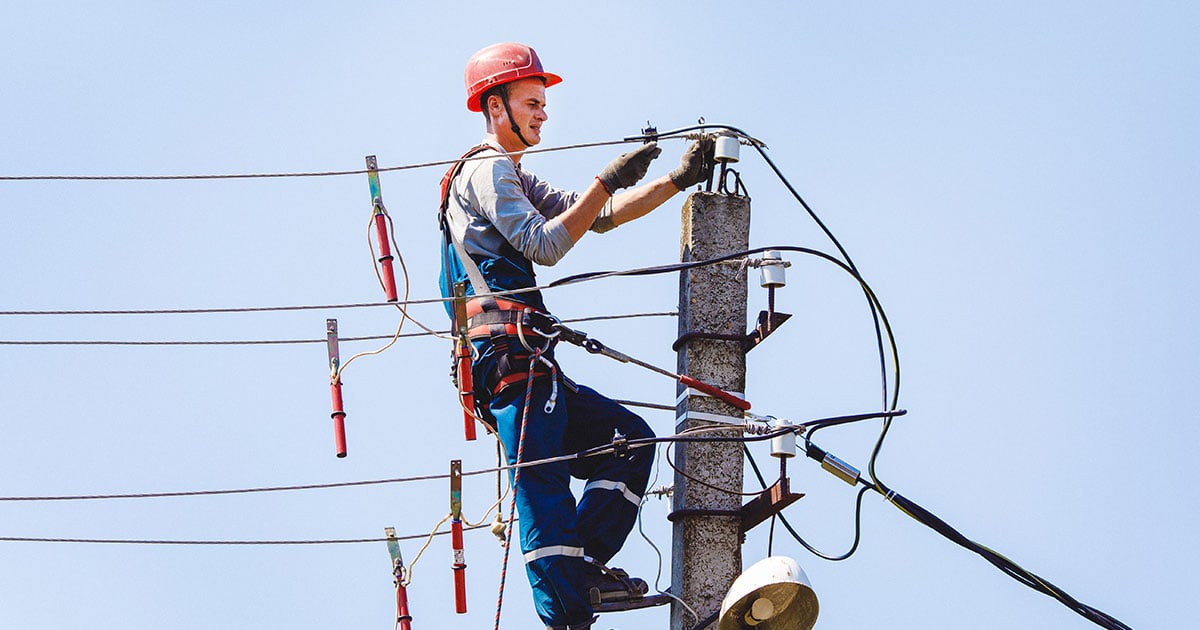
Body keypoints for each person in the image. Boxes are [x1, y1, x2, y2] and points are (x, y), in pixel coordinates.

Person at [438, 42, 713, 630]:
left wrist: (674, 180)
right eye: (532, 102)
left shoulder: (508, 174)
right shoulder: (484, 170)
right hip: (509, 359)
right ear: (495, 106)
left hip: (531, 359)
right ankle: (563, 606)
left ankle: (581, 570)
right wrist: (603, 178)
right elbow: (548, 244)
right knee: (543, 480)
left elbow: (596, 215)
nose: (543, 114)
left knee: (630, 441)